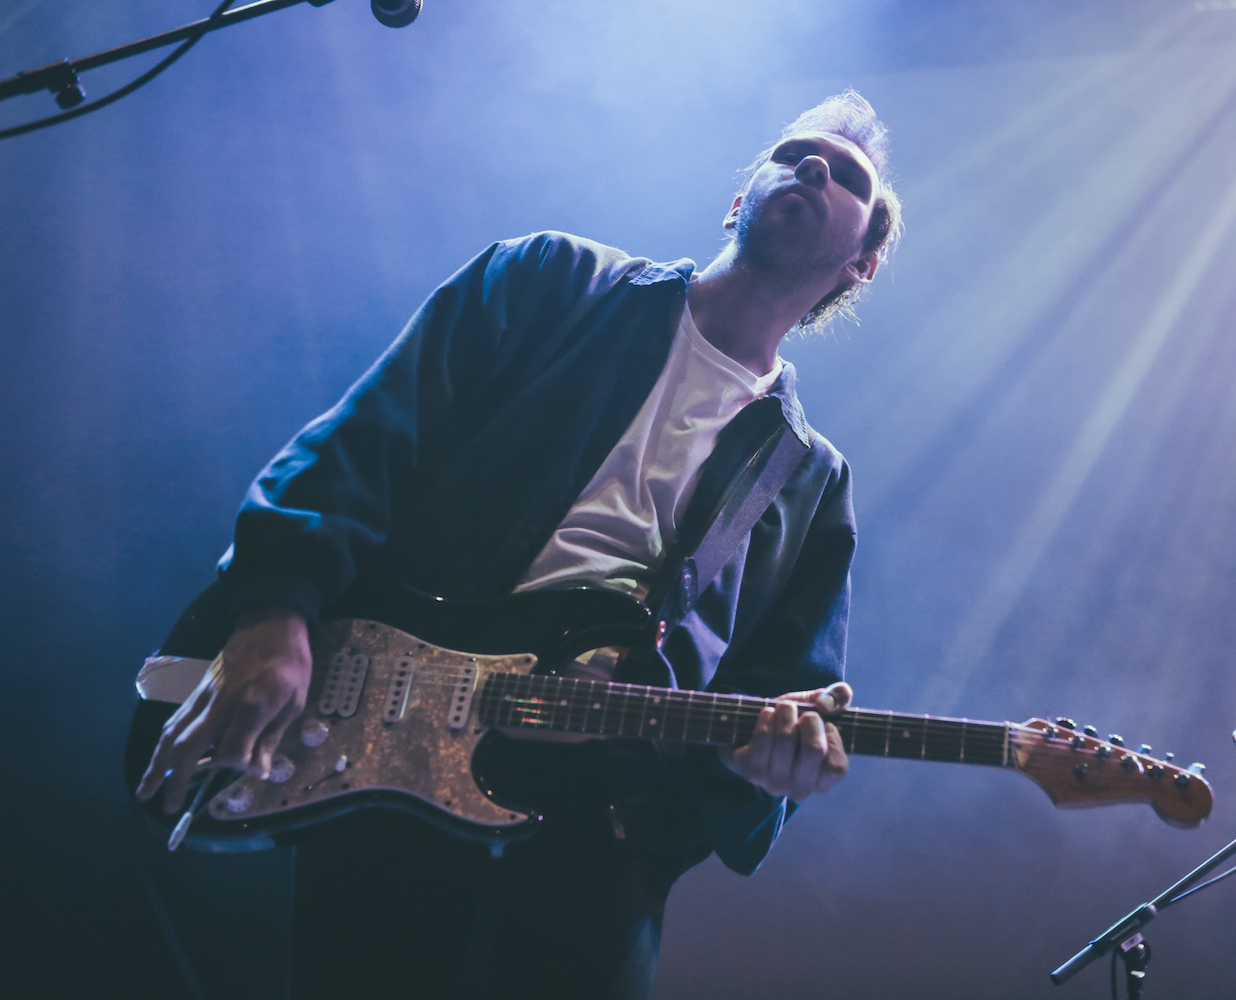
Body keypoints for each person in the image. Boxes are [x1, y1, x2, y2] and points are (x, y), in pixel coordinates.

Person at [134, 89, 902, 999]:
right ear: (739, 202)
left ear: (863, 261)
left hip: (603, 820)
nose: (810, 167)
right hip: (397, 736)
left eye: (846, 176)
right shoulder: (553, 281)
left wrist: (765, 770)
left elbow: (775, 696)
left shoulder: (810, 479)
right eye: (789, 153)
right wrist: (276, 607)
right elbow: (368, 437)